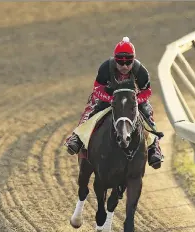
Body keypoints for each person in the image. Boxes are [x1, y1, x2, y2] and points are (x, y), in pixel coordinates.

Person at [64, 36, 164, 169]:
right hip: (109, 97)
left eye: (128, 62)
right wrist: (112, 100)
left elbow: (147, 92)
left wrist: (134, 101)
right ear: (115, 59)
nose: (124, 66)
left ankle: (154, 148)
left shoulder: (141, 71)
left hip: (132, 100)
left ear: (133, 59)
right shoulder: (106, 68)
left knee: (148, 113)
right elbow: (97, 88)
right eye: (120, 62)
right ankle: (77, 137)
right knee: (91, 109)